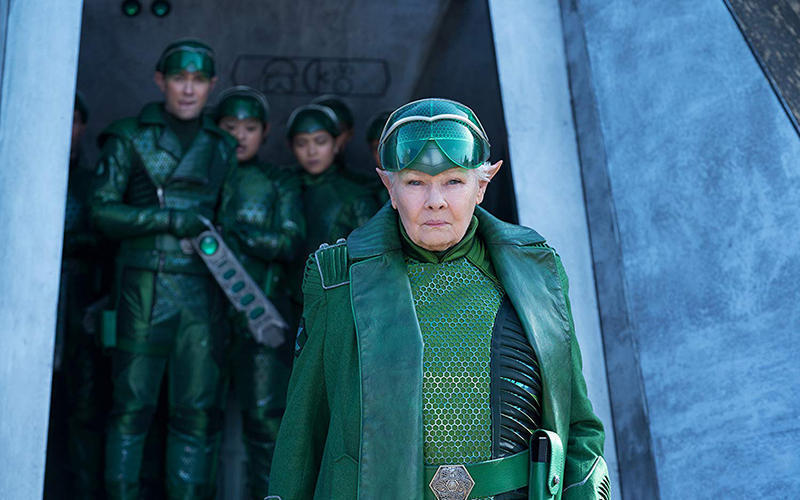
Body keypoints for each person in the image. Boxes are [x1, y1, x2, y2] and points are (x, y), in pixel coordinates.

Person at [269, 98, 609, 499]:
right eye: (415, 182)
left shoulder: (538, 271)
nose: (435, 200)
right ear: (389, 187)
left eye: (453, 181)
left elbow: (577, 420)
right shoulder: (337, 279)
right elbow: (303, 431)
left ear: (482, 185)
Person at [90, 38, 236, 499]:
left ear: (212, 85)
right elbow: (101, 211)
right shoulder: (128, 136)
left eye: (198, 80)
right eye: (179, 78)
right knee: (131, 407)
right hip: (142, 287)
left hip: (204, 292)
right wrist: (170, 219)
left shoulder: (222, 146)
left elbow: (229, 221)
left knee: (196, 411)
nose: (188, 90)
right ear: (160, 80)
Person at [214, 85, 303, 499]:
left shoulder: (277, 181)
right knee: (194, 420)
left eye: (249, 127)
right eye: (230, 127)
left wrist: (238, 234)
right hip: (204, 317)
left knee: (266, 422)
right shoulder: (201, 180)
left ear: (264, 132)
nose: (239, 136)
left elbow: (290, 242)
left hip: (262, 314)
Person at [283, 104, 379, 325]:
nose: (312, 151)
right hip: (291, 299)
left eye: (320, 141)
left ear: (337, 144)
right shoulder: (285, 186)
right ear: (291, 146)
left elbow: (372, 259)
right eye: (302, 143)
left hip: (340, 303)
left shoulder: (355, 196)